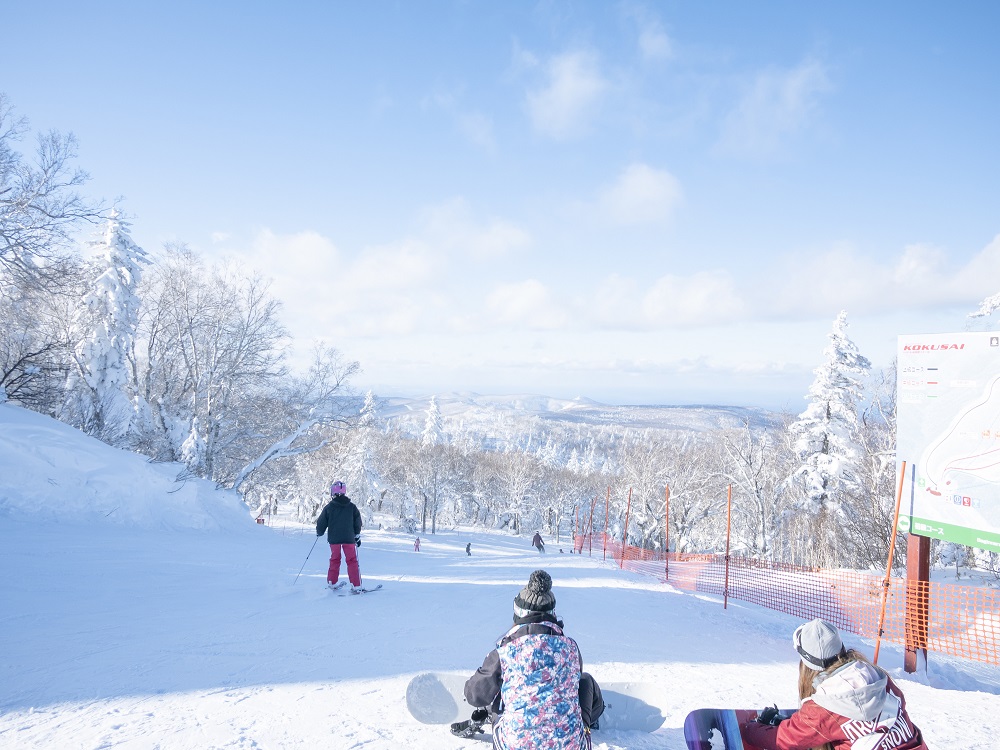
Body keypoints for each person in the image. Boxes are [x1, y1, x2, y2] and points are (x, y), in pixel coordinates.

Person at [460, 569, 604, 749]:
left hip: (517, 744)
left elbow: (475, 696)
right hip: (569, 745)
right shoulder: (571, 648)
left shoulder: (505, 651)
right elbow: (573, 682)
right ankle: (586, 722)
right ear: (552, 613)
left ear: (519, 614)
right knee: (585, 680)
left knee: (498, 694)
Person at [739, 619, 927, 750]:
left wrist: (749, 730)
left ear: (807, 666)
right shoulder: (878, 678)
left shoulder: (824, 706)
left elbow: (785, 740)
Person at [315, 481, 363, 591]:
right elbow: (357, 522)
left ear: (333, 493)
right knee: (352, 560)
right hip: (349, 539)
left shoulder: (329, 507)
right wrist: (357, 534)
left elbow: (322, 522)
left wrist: (320, 532)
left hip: (334, 539)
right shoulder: (352, 507)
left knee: (335, 559)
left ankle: (332, 582)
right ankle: (356, 585)